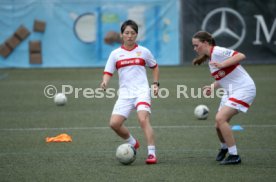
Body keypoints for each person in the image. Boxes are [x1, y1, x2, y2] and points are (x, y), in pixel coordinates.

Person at [192, 31, 256, 165]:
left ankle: (234, 155)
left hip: (243, 88)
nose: (195, 49)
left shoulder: (217, 51)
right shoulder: (210, 60)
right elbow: (223, 77)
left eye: (197, 45)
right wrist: (212, 87)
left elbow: (240, 56)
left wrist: (223, 64)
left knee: (220, 118)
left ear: (205, 43)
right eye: (194, 46)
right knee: (218, 125)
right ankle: (224, 148)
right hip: (230, 91)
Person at [100, 20, 159, 164]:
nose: (130, 36)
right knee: (114, 124)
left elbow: (155, 67)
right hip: (125, 94)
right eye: (127, 33)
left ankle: (152, 153)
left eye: (133, 33)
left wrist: (156, 84)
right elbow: (108, 72)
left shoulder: (144, 51)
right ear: (121, 35)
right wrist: (105, 82)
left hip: (142, 92)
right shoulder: (115, 54)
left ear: (136, 35)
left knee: (143, 119)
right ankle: (133, 143)